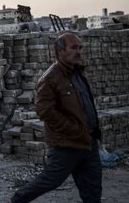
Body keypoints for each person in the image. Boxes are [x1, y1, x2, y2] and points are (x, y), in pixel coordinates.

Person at [11, 32, 101, 203]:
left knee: (93, 189)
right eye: (74, 47)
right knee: (50, 180)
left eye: (80, 47)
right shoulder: (50, 78)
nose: (79, 52)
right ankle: (18, 199)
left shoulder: (77, 73)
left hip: (89, 142)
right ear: (60, 50)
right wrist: (73, 129)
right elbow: (44, 110)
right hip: (67, 145)